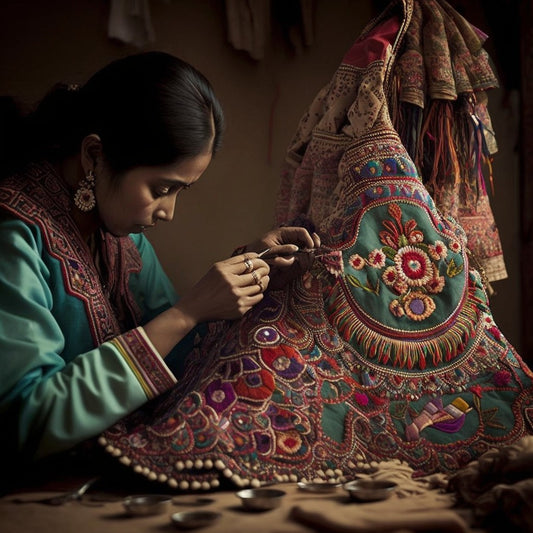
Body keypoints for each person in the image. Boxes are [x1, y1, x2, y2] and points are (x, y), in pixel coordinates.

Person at [0, 51, 320, 469]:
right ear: (94, 155)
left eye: (180, 192)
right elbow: (24, 419)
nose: (168, 212)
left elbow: (178, 359)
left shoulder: (122, 239)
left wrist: (250, 270)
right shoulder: (14, 236)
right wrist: (188, 312)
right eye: (162, 188)